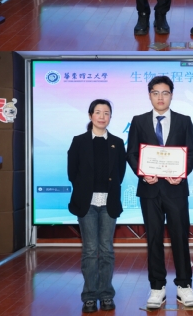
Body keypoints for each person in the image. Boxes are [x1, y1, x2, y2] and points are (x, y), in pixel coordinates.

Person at [126, 76, 193, 309]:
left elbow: (191, 153)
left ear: (172, 95)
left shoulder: (184, 121)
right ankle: (157, 287)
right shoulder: (138, 121)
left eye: (165, 93)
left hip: (176, 189)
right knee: (154, 238)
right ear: (149, 95)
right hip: (149, 189)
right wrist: (142, 173)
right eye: (156, 93)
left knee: (180, 237)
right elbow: (131, 153)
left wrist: (182, 174)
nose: (160, 97)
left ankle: (184, 285)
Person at [67, 100, 126, 313]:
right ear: (90, 115)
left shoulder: (117, 142)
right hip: (87, 203)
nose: (102, 116)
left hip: (109, 202)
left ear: (110, 117)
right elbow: (72, 172)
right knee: (90, 250)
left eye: (106, 113)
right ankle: (90, 296)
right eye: (98, 112)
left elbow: (120, 172)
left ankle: (106, 294)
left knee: (107, 250)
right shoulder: (79, 141)